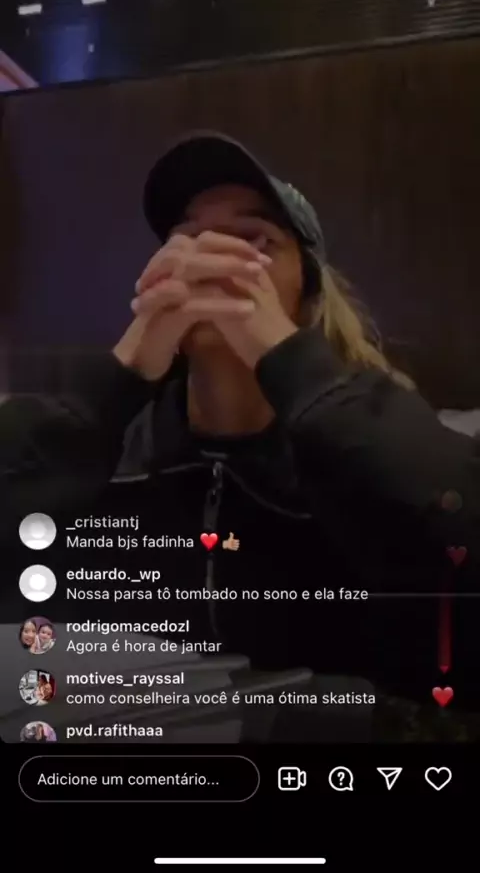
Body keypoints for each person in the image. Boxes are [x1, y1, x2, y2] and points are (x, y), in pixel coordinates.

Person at [1, 134, 479, 707]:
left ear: (306, 296)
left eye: (255, 241)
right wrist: (123, 374)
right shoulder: (109, 451)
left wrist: (290, 358)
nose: (212, 260)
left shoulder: (364, 438)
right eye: (187, 241)